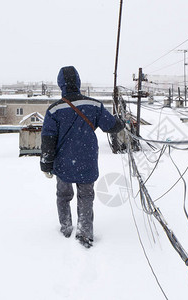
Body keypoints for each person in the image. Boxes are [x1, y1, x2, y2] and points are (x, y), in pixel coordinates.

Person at [40, 66, 124, 248]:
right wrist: (121, 122)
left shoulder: (54, 110)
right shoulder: (94, 105)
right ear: (78, 81)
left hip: (63, 163)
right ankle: (84, 233)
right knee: (86, 196)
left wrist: (46, 164)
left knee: (63, 195)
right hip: (87, 160)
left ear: (61, 84)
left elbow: (48, 138)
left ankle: (66, 228)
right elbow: (111, 126)